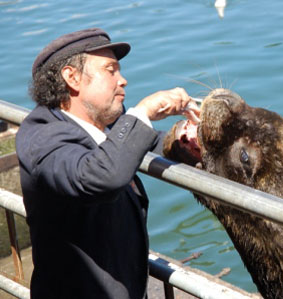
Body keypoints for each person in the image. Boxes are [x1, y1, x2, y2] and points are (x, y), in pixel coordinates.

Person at [16, 28, 200, 299]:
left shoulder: (102, 123)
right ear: (72, 78)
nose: (122, 80)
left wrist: (189, 140)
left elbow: (147, 143)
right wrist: (144, 112)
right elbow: (99, 177)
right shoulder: (43, 138)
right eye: (110, 70)